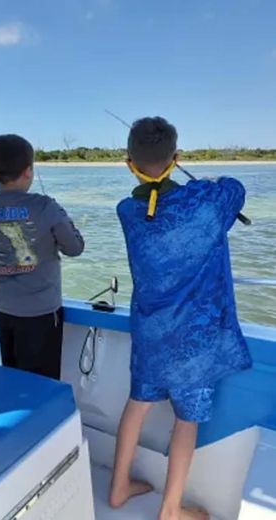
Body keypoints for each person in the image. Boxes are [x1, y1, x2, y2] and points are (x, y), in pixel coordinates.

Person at [109, 117, 252, 520]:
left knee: (137, 403)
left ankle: (118, 486)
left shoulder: (126, 210)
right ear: (176, 158)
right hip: (195, 339)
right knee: (187, 421)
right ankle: (171, 510)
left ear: (128, 163)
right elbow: (235, 190)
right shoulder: (205, 202)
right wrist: (198, 180)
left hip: (150, 332)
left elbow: (155, 204)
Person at [0, 134, 84, 379]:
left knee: (6, 377)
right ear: (28, 171)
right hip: (40, 315)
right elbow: (75, 248)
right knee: (41, 385)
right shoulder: (45, 206)